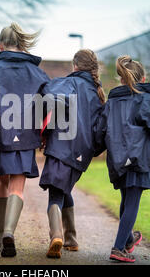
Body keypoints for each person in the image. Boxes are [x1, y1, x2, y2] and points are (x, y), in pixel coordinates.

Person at [0, 22, 50, 257]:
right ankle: (9, 231)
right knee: (18, 184)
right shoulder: (39, 73)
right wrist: (46, 132)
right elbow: (48, 105)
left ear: (0, 45)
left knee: (2, 180)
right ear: (22, 45)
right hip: (27, 134)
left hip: (1, 135)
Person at [95, 55, 150, 263]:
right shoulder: (147, 101)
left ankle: (129, 239)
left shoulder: (111, 103)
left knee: (127, 199)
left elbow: (100, 131)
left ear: (121, 79)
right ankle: (118, 247)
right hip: (138, 158)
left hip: (117, 160)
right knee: (131, 202)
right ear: (143, 79)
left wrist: (90, 152)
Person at [39, 49, 106, 258]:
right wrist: (93, 150)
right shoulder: (98, 93)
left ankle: (56, 235)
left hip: (61, 147)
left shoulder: (67, 83)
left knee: (55, 194)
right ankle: (71, 238)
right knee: (64, 188)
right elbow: (101, 129)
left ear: (75, 66)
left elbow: (45, 94)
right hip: (81, 153)